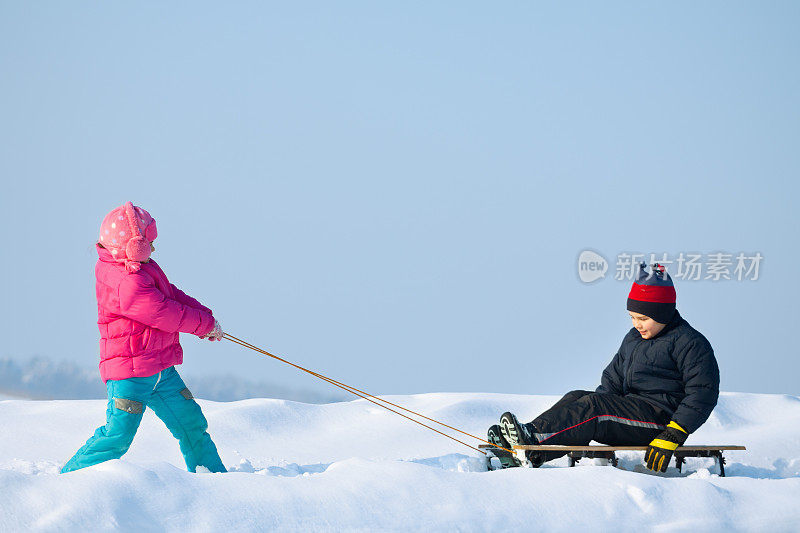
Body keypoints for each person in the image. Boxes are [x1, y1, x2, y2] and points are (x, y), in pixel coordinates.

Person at [488, 262, 720, 472]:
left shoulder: (689, 342)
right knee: (577, 397)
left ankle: (532, 441)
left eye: (642, 318)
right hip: (632, 413)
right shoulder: (634, 339)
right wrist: (592, 410)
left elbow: (702, 392)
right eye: (632, 317)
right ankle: (531, 444)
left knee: (594, 406)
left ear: (663, 313)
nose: (636, 324)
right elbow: (613, 379)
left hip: (659, 422)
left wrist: (674, 433)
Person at [61, 201, 227, 474]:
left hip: (160, 369)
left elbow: (170, 293)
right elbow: (162, 311)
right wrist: (203, 325)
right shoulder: (125, 282)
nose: (153, 248)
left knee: (191, 424)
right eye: (149, 243)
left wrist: (205, 316)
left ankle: (215, 480)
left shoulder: (141, 267)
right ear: (132, 245)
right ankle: (68, 480)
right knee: (117, 437)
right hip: (130, 375)